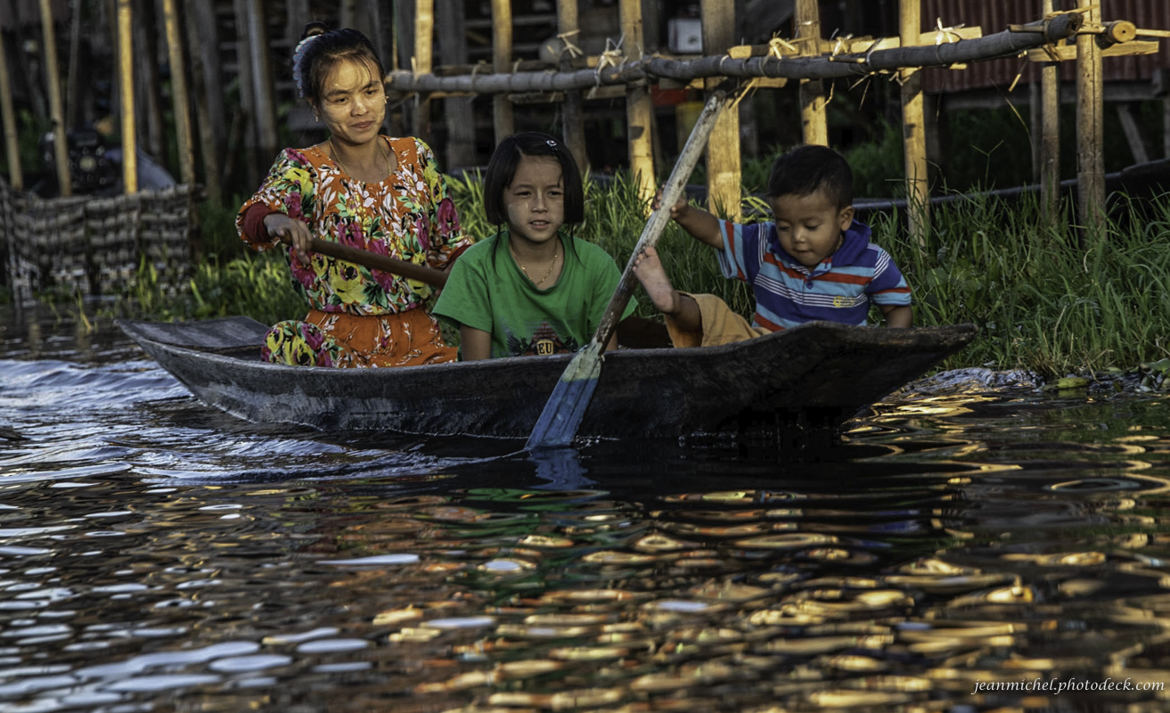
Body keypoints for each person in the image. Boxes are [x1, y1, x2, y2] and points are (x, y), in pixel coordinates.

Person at [236, 24, 472, 368]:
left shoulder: (417, 157)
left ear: (384, 91)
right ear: (316, 107)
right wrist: (279, 221)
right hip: (336, 347)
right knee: (284, 340)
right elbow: (254, 217)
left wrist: (471, 273)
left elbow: (449, 247)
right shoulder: (303, 168)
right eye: (341, 99)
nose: (360, 109)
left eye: (370, 91)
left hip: (421, 342)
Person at [633, 144, 912, 348]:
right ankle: (671, 302)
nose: (797, 237)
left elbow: (897, 308)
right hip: (766, 350)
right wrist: (683, 213)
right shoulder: (765, 244)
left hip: (837, 358)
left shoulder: (871, 261)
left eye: (811, 227)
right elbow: (717, 233)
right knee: (714, 312)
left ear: (844, 218)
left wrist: (890, 347)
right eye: (785, 226)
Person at [432, 132, 636, 360]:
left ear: (569, 197)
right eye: (525, 193)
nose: (540, 206)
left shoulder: (596, 265)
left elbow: (606, 364)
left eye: (553, 193)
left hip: (580, 391)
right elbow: (477, 373)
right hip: (499, 391)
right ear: (500, 197)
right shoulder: (475, 268)